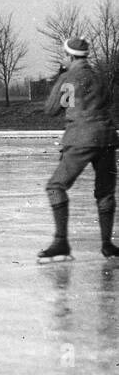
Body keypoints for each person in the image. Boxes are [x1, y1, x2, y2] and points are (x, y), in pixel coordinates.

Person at [38, 37, 119, 260]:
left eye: (64, 56)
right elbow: (109, 100)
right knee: (105, 192)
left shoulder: (67, 78)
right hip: (107, 138)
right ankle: (107, 245)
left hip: (81, 138)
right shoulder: (100, 77)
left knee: (55, 186)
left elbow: (51, 109)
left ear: (70, 57)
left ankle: (61, 242)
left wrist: (59, 79)